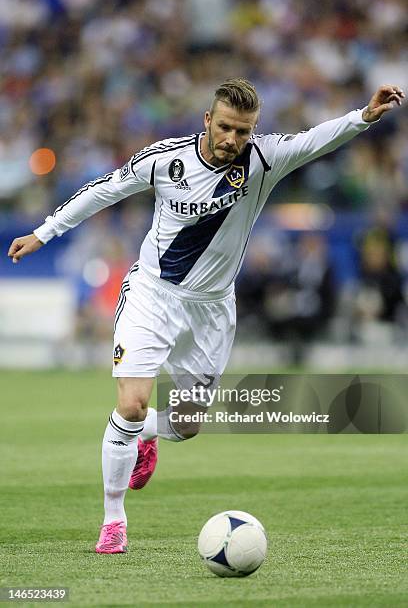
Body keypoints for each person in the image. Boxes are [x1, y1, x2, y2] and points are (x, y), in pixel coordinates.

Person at [8, 79, 405, 554]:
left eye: (243, 131)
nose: (233, 140)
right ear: (206, 120)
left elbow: (314, 139)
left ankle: (143, 436)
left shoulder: (264, 158)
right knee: (131, 404)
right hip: (152, 295)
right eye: (225, 128)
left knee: (188, 423)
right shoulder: (165, 161)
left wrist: (363, 115)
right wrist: (44, 232)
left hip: (212, 310)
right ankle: (114, 520)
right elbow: (102, 191)